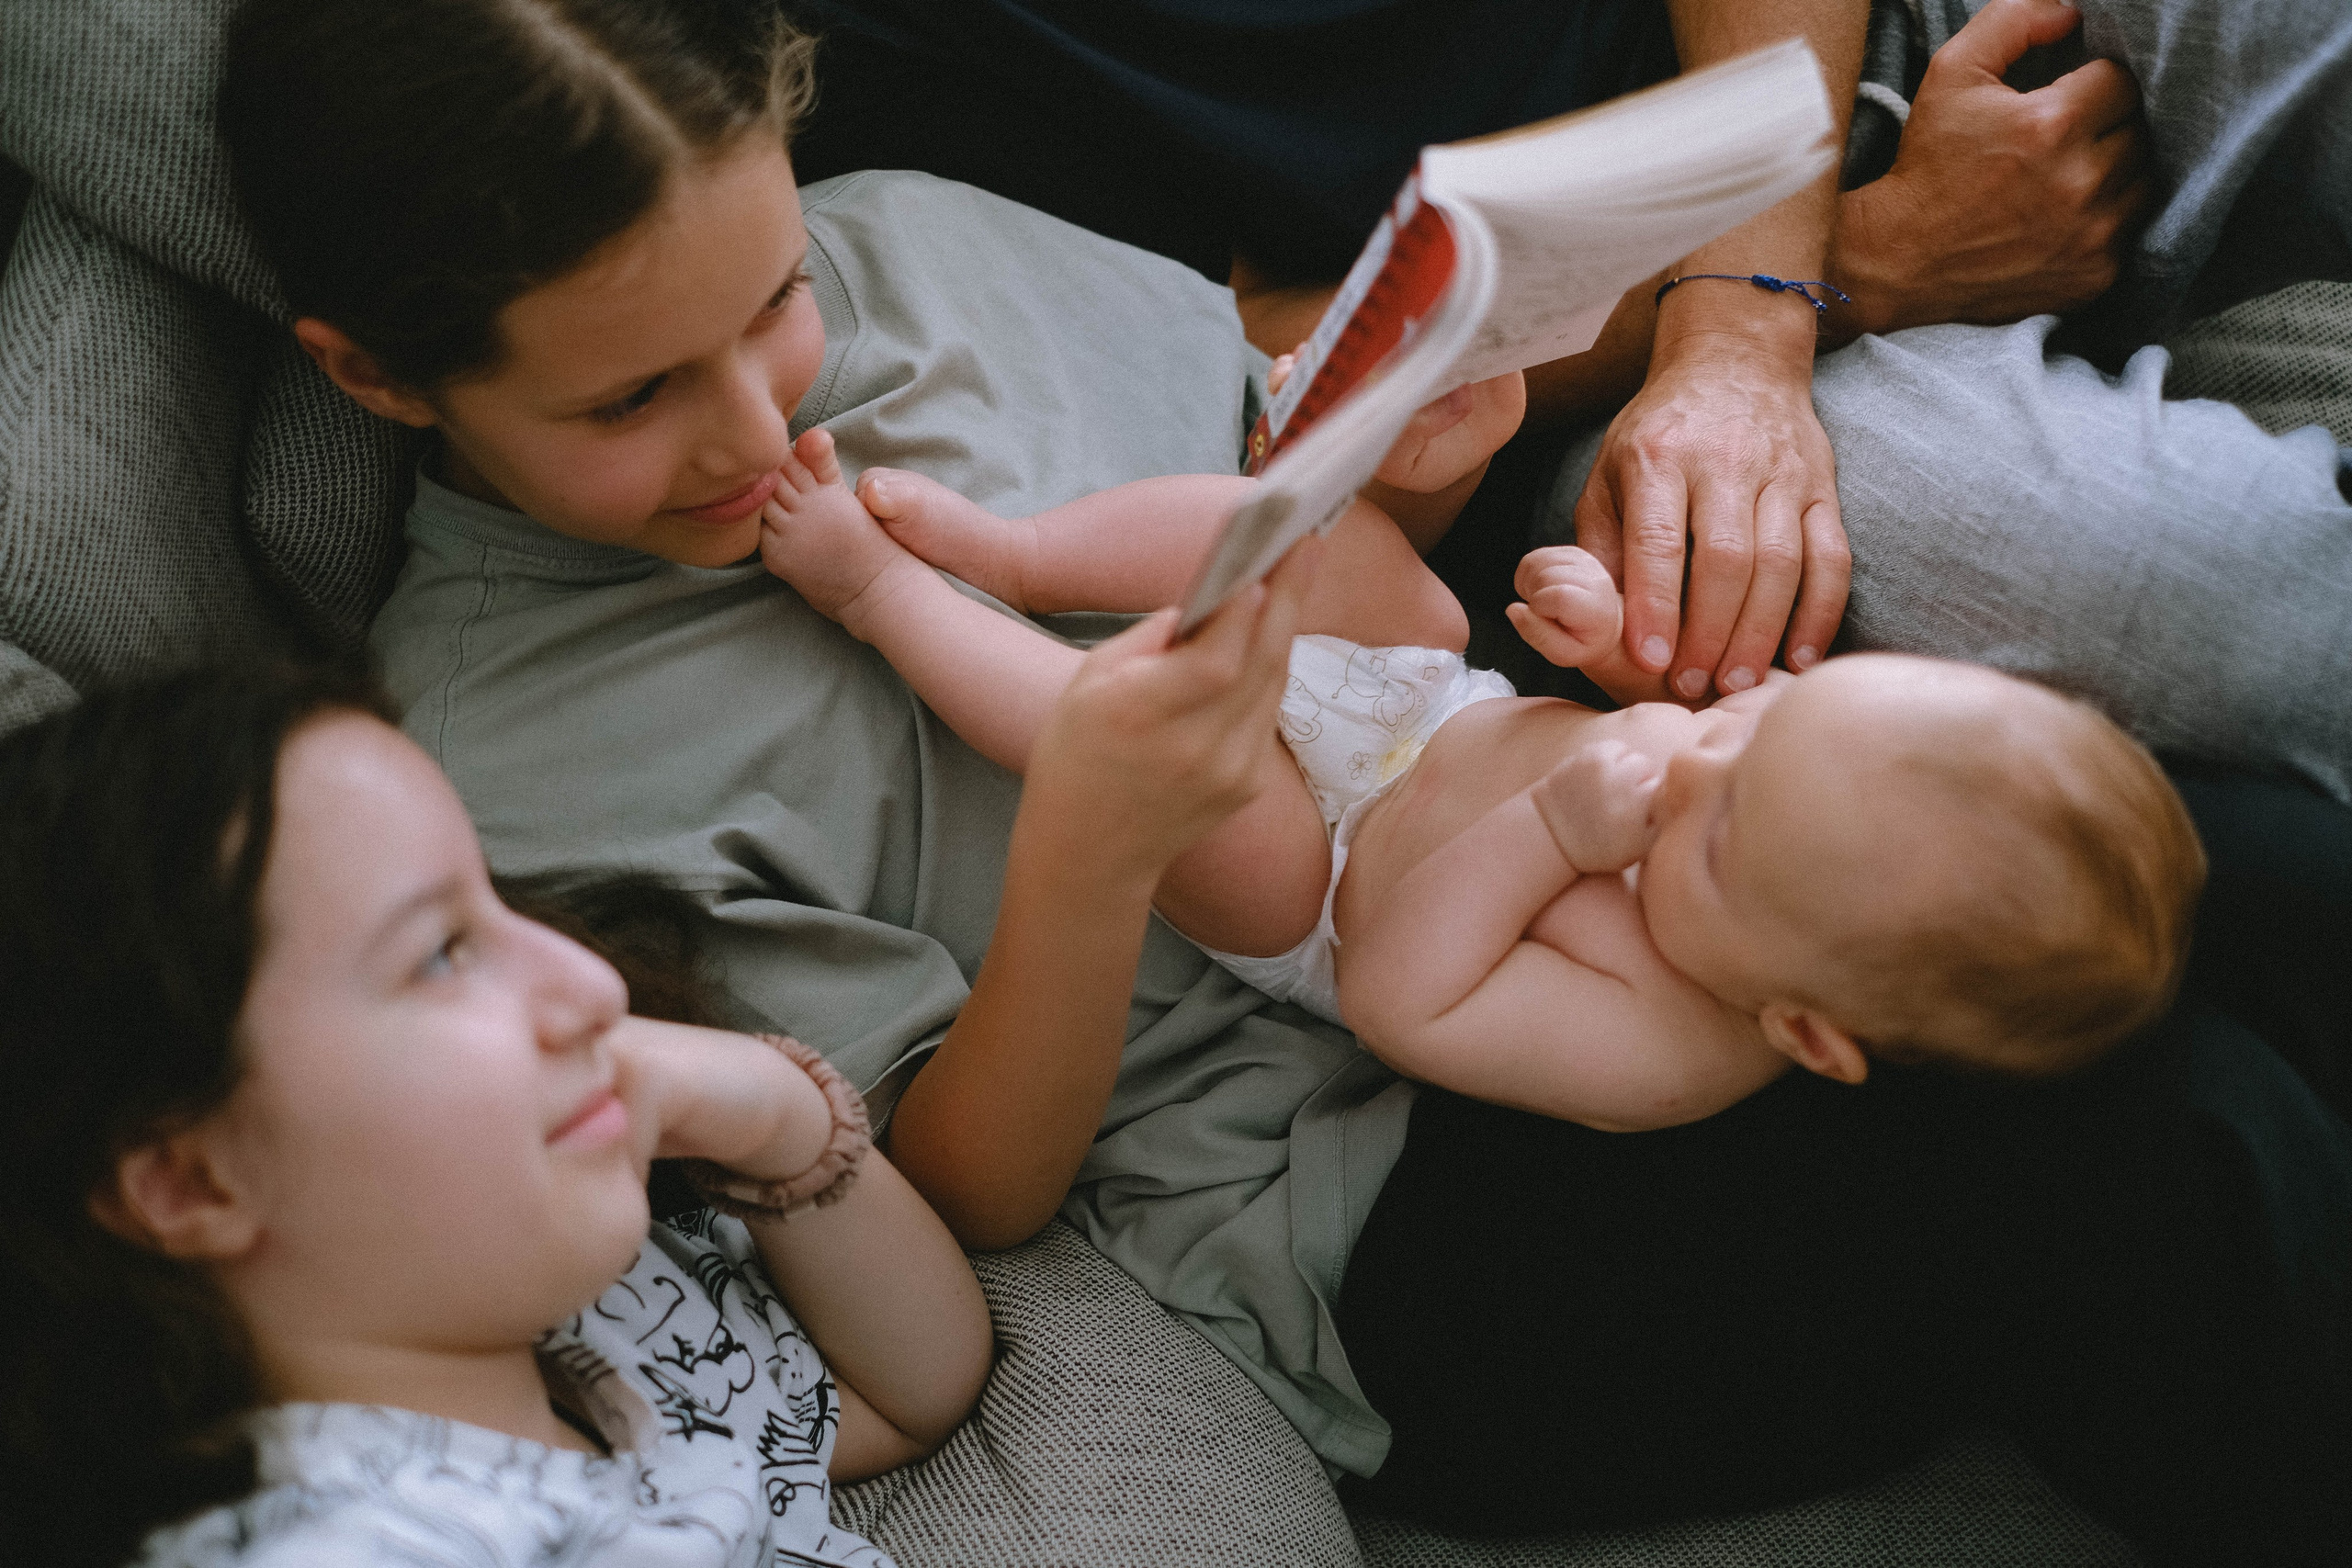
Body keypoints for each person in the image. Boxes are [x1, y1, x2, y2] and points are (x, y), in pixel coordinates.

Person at [212, 0, 2349, 1559]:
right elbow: (936, 1224)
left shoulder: (902, 243)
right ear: (377, 373)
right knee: (2151, 1142)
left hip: (1541, 798)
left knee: (2228, 867)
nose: (757, 415)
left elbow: (1272, 501)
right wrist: (1089, 851)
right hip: (1382, 1196)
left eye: (771, 302)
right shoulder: (494, 776)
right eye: (627, 394)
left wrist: (1405, 478)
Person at [757, 442, 2203, 1126]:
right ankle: (1024, 553)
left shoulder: (1670, 1056)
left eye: (1715, 835)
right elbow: (1663, 722)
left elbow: (1404, 992)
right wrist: (1607, 649)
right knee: (1340, 544)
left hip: (1319, 887)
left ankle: (879, 590)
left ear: (1807, 1028)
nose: (1690, 756)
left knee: (1186, 781)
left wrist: (1549, 828)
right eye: (1768, 714)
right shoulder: (1747, 780)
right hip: (1429, 703)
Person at [0, 661, 996, 1566]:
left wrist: (775, 1113)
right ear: (193, 1181)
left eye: (499, 905)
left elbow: (908, 1394)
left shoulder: (569, 1320)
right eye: (441, 951)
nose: (590, 982)